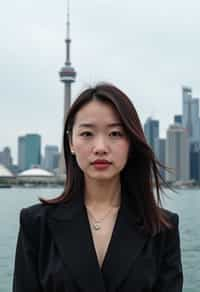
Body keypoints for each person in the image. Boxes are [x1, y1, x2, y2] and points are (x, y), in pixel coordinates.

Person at [13, 83, 183, 292]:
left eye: (115, 134)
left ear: (131, 143)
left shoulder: (162, 228)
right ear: (71, 143)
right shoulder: (36, 225)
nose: (101, 148)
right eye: (87, 134)